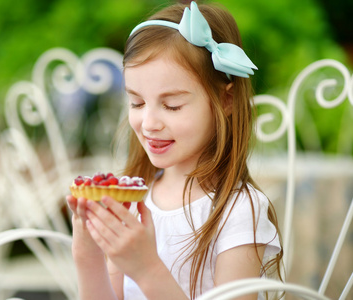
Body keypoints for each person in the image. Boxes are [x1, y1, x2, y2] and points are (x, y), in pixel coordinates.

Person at [66, 1, 283, 299]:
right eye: (137, 103)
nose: (149, 123)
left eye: (172, 105)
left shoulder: (238, 210)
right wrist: (87, 256)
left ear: (226, 101)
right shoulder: (135, 198)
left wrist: (147, 270)